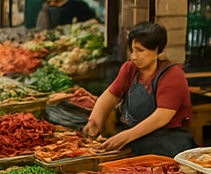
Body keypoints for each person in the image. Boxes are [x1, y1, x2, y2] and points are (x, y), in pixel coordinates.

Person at [83, 21, 194, 156]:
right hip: (136, 141)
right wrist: (95, 121)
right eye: (132, 50)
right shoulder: (130, 69)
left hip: (167, 145)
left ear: (157, 50)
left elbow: (162, 116)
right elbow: (110, 95)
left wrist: (126, 136)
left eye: (140, 51)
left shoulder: (173, 75)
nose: (134, 56)